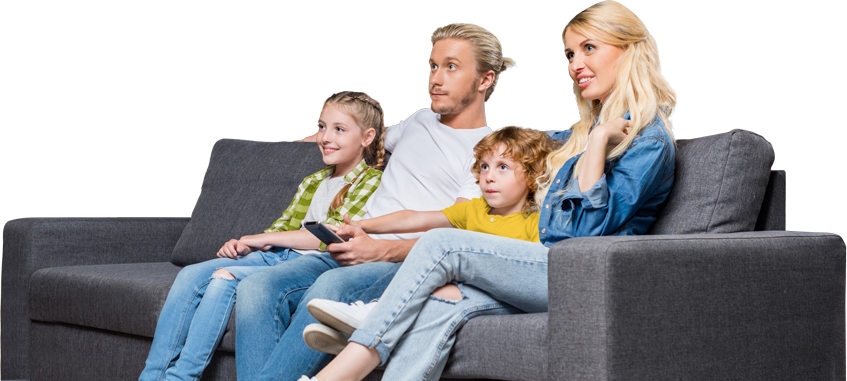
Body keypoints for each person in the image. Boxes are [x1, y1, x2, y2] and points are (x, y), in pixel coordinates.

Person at [302, 1, 680, 380]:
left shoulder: (649, 140)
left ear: (630, 49)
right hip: (541, 264)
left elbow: (582, 233)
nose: (575, 64)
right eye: (570, 53)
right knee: (440, 303)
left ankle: (359, 349)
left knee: (442, 243)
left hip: (577, 271)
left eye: (589, 48)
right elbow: (518, 146)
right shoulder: (583, 133)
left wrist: (598, 142)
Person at [234, 22, 517, 381]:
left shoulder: (486, 152)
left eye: (451, 66)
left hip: (402, 263)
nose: (436, 78)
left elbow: (459, 237)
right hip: (348, 243)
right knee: (256, 288)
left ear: (486, 80)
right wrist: (308, 141)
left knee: (330, 289)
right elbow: (359, 139)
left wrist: (378, 251)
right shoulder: (418, 121)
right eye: (433, 66)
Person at [138, 89, 386, 381]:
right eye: (321, 127)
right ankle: (152, 376)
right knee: (190, 275)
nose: (325, 137)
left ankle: (181, 377)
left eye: (339, 129)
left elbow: (329, 238)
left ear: (367, 137)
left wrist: (259, 239)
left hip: (307, 262)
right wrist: (248, 244)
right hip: (275, 255)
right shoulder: (314, 180)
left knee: (222, 280)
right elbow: (282, 228)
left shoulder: (370, 181)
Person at [300, 124, 554, 354]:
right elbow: (414, 219)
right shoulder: (474, 209)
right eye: (485, 166)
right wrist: (361, 225)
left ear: (532, 176)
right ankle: (370, 324)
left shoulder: (535, 222)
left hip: (489, 293)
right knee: (425, 271)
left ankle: (371, 318)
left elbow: (528, 276)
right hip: (454, 286)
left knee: (436, 272)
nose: (488, 176)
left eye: (503, 167)